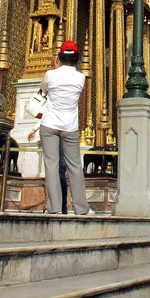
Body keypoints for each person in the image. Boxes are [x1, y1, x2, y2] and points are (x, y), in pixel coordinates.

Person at [39, 41, 92, 215]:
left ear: (59, 57)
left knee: (52, 166)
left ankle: (54, 208)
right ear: (77, 58)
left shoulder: (50, 75)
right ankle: (81, 209)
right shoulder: (81, 78)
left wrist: (55, 68)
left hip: (49, 125)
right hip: (70, 126)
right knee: (75, 167)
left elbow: (43, 91)